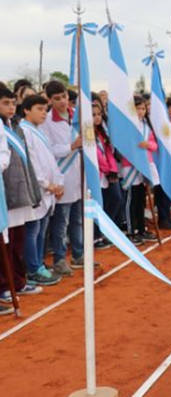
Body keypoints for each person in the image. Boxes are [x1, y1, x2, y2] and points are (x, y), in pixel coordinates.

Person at [0, 88, 44, 304]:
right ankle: (5, 285)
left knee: (17, 240)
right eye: (6, 103)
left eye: (12, 103)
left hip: (21, 190)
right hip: (5, 193)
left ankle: (18, 280)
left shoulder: (15, 126)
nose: (10, 107)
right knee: (5, 243)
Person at [18, 95, 65, 287]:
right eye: (39, 108)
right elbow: (32, 163)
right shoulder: (24, 131)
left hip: (48, 189)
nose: (44, 112)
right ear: (27, 110)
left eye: (45, 109)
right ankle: (33, 268)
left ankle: (38, 264)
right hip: (36, 189)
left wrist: (57, 183)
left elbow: (50, 160)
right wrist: (46, 184)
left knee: (41, 229)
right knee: (33, 230)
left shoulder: (37, 130)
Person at [40, 81, 81, 277]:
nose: (62, 101)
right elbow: (50, 150)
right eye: (56, 99)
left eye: (64, 97)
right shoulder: (46, 121)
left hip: (79, 174)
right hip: (61, 176)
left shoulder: (76, 116)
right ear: (49, 100)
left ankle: (79, 254)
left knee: (77, 219)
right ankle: (59, 259)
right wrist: (72, 146)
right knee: (61, 223)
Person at [119, 95, 158, 246]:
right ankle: (130, 231)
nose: (141, 111)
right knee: (130, 200)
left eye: (143, 108)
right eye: (138, 108)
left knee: (141, 200)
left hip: (145, 165)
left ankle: (141, 229)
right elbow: (122, 146)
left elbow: (155, 145)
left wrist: (147, 144)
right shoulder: (127, 126)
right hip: (130, 166)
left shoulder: (147, 127)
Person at [93, 102, 119, 249]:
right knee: (98, 205)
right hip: (98, 174)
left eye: (99, 114)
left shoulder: (102, 131)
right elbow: (96, 155)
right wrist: (107, 169)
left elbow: (108, 152)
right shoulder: (88, 132)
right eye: (93, 115)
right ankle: (96, 236)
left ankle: (105, 231)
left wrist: (113, 169)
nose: (97, 117)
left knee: (115, 199)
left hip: (108, 174)